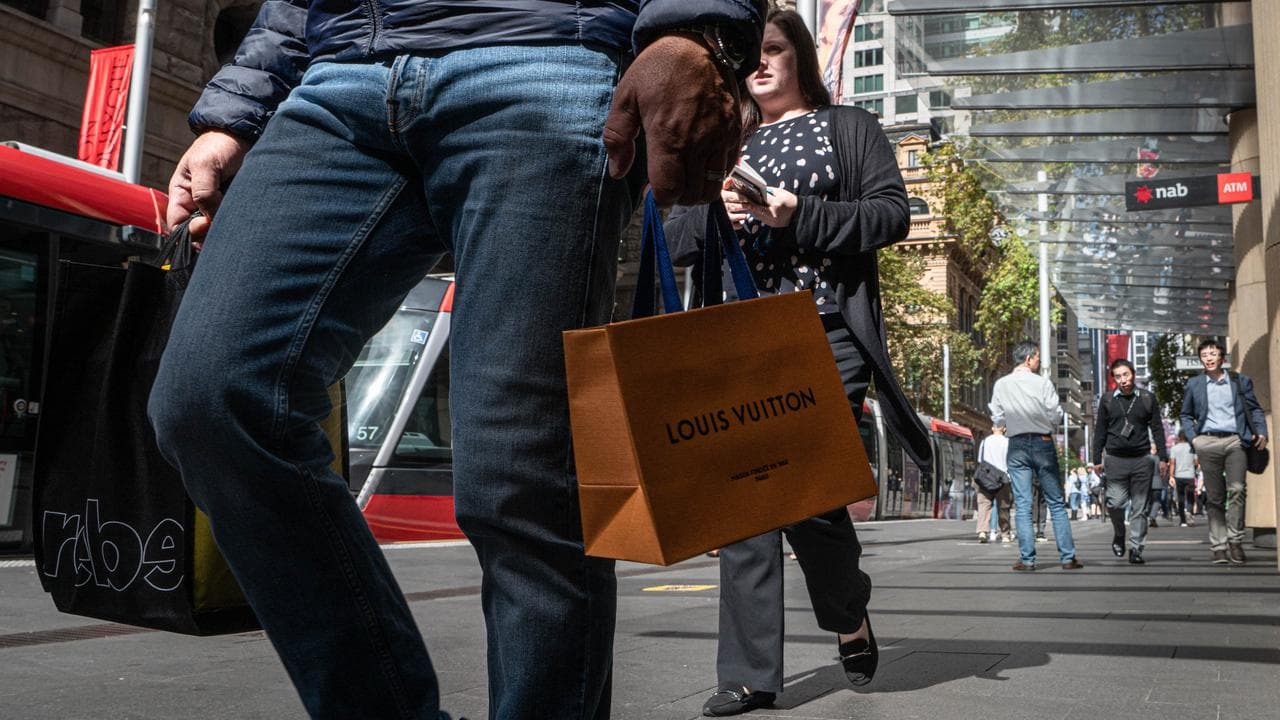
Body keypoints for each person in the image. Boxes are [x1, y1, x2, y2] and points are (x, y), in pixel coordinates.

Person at [146, 1, 770, 717]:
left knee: (521, 474)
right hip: (341, 72)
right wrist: (238, 110)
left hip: (549, 54)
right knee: (209, 396)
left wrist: (697, 32)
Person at [664, 9, 930, 716]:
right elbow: (677, 238)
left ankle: (847, 611)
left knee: (811, 493)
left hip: (824, 329)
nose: (759, 63)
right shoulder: (726, 141)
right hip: (738, 339)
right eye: (749, 53)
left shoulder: (849, 127)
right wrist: (714, 209)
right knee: (747, 501)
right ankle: (748, 676)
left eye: (773, 49)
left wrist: (799, 214)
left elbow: (891, 215)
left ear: (800, 58)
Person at [989, 341, 1082, 572]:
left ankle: (1027, 560)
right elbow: (1055, 415)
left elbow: (998, 418)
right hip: (1043, 442)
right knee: (1056, 502)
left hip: (1017, 444)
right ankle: (1067, 558)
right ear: (1028, 359)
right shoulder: (1042, 383)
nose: (1039, 361)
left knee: (1023, 504)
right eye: (1037, 357)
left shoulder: (1001, 384)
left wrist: (1013, 421)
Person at [1180, 339, 1268, 565]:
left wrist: (1261, 431)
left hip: (1234, 441)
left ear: (1222, 357)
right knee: (1215, 497)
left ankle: (1235, 541)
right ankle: (1219, 546)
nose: (1208, 358)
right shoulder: (1194, 384)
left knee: (1237, 489)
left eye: (1213, 353)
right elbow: (1186, 415)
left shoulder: (1239, 381)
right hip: (1206, 442)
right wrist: (1194, 439)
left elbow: (1255, 409)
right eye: (1204, 355)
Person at [1090, 359, 1167, 565]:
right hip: (1115, 459)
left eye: (1126, 374)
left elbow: (1157, 429)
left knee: (1140, 507)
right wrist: (1096, 458)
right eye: (1118, 376)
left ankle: (1136, 548)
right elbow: (1100, 431)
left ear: (1133, 374)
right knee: (1115, 502)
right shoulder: (1107, 400)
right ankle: (1119, 533)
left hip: (1142, 459)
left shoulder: (1147, 398)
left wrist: (1163, 457)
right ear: (1114, 379)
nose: (1123, 380)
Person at [975, 425, 1012, 543]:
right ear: (1004, 429)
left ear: (992, 428)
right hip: (1003, 478)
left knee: (984, 504)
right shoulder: (1008, 442)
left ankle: (982, 531)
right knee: (1003, 507)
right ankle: (1005, 534)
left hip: (986, 477)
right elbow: (1010, 460)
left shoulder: (985, 441)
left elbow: (980, 460)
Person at [1169, 431, 1199, 527]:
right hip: (1190, 475)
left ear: (1179, 437)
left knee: (1180, 498)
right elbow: (1196, 462)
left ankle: (1183, 520)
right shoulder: (1192, 447)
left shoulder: (1174, 448)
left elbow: (1172, 463)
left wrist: (1171, 475)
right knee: (1190, 496)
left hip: (1179, 475)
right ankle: (1189, 511)